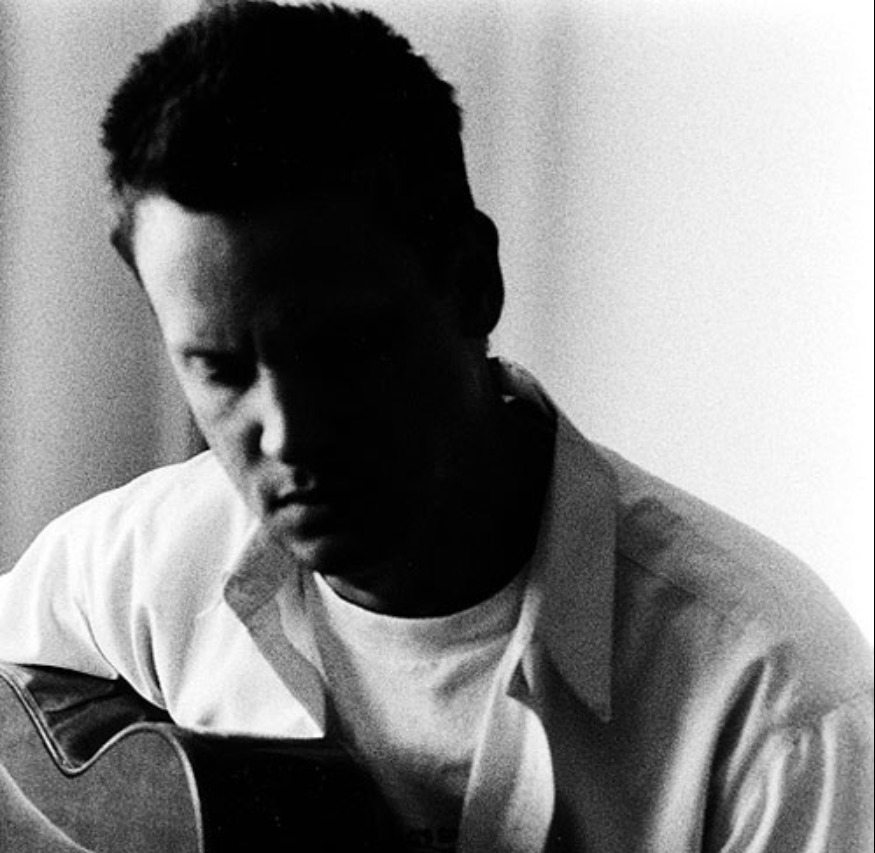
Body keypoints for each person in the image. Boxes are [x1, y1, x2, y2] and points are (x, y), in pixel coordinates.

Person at [0, 3, 872, 852]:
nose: (287, 434)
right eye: (220, 370)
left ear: (473, 282)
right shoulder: (138, 566)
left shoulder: (778, 708)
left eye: (338, 350)